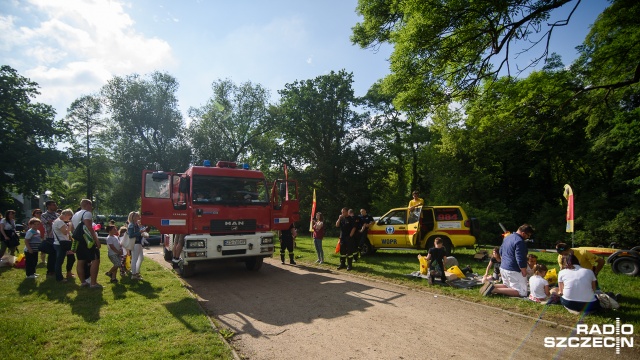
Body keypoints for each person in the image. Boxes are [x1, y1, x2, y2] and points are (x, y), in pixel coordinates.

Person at [480, 224, 533, 297]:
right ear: (523, 233)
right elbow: (520, 258)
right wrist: (523, 270)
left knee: (507, 285)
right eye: (528, 235)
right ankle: (493, 290)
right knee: (521, 292)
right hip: (514, 270)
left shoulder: (507, 237)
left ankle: (491, 286)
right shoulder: (520, 241)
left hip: (503, 267)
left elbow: (501, 251)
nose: (528, 237)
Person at [70, 199, 102, 289]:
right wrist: (97, 240)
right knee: (95, 259)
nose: (91, 207)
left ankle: (83, 282)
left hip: (79, 240)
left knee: (81, 261)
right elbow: (89, 227)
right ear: (88, 205)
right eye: (91, 205)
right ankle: (93, 283)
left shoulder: (75, 215)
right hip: (88, 240)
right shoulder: (87, 213)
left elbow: (72, 229)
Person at [52, 209, 75, 282]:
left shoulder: (59, 221)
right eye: (69, 217)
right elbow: (65, 232)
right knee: (60, 261)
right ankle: (59, 278)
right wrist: (70, 226)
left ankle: (68, 273)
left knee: (71, 258)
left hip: (63, 243)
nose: (69, 219)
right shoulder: (59, 222)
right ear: (66, 215)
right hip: (61, 244)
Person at [41, 201, 59, 277]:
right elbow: (50, 222)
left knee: (57, 255)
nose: (55, 206)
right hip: (49, 237)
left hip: (58, 237)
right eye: (53, 205)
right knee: (52, 255)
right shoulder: (44, 215)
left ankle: (56, 270)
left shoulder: (57, 215)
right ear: (48, 206)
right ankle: (50, 271)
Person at [128, 212, 146, 280]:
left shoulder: (135, 224)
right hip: (135, 243)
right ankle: (134, 274)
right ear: (133, 217)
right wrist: (140, 232)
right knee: (135, 259)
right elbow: (131, 235)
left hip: (138, 243)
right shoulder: (132, 225)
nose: (139, 216)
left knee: (140, 258)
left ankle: (136, 273)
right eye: (137, 216)